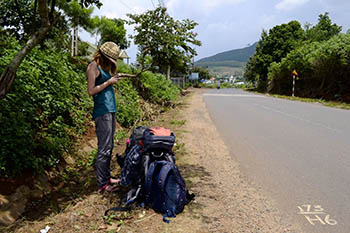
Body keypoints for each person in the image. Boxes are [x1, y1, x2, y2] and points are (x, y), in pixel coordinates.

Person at [87, 41, 122, 192]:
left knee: (109, 146)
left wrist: (114, 78)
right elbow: (91, 90)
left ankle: (107, 177)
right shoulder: (92, 66)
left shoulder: (103, 67)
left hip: (110, 109)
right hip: (102, 111)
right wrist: (109, 82)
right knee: (103, 148)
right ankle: (102, 184)